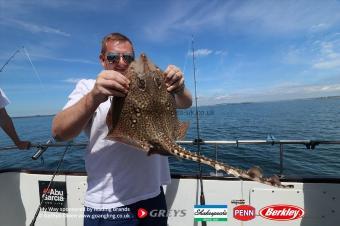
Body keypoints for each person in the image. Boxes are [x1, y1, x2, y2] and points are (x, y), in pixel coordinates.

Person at [52, 32, 192, 226]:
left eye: (127, 57)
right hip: (109, 205)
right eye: (113, 57)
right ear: (102, 60)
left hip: (153, 195)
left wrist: (179, 87)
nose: (122, 62)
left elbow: (185, 103)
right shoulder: (89, 86)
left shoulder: (148, 83)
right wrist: (94, 96)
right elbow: (59, 133)